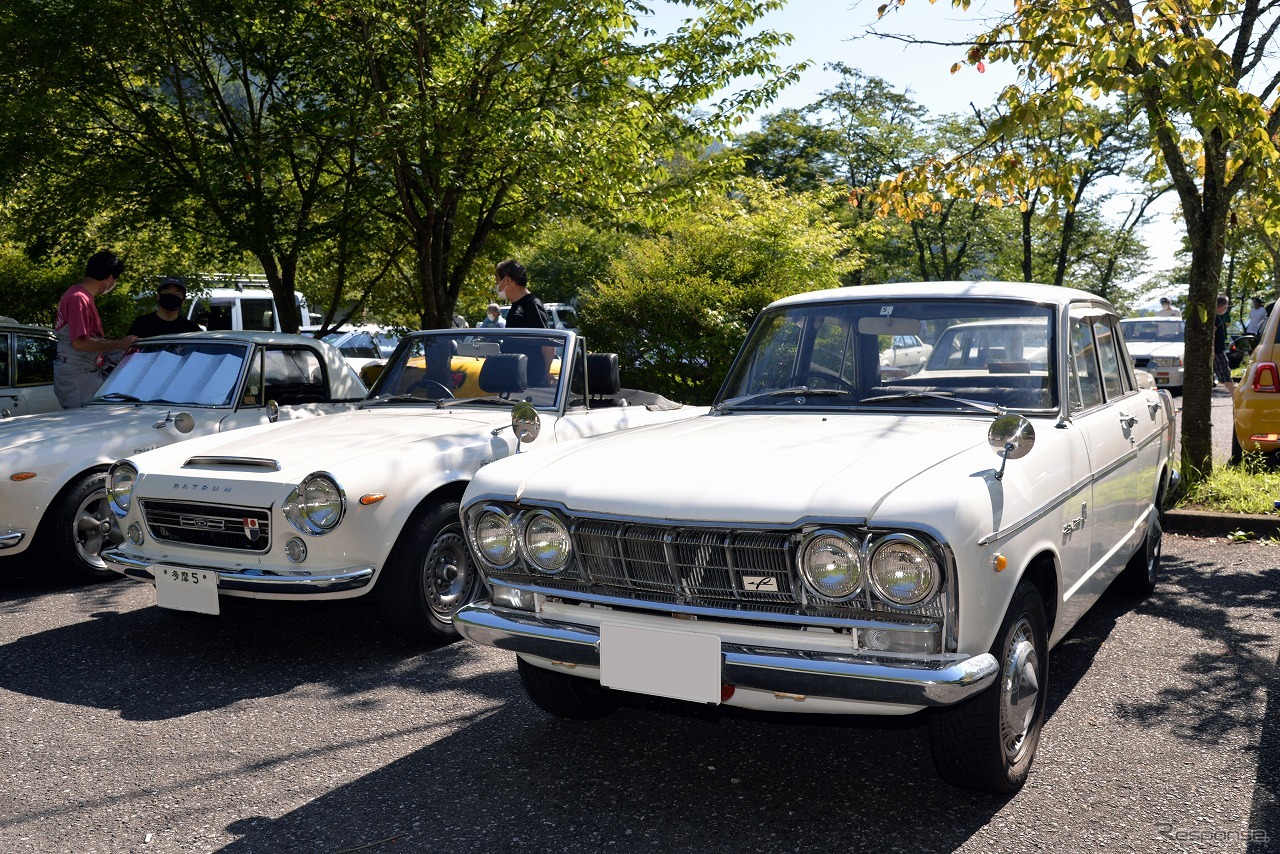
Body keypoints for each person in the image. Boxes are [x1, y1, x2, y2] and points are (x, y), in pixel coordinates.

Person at [52, 250, 137, 409]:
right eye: (115, 279)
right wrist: (118, 344)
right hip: (79, 373)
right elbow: (80, 343)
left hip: (81, 371)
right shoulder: (79, 298)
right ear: (109, 278)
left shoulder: (78, 294)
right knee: (89, 420)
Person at [495, 258, 553, 385]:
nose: (497, 286)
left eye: (498, 281)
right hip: (513, 376)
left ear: (508, 280)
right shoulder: (514, 306)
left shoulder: (532, 304)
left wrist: (545, 374)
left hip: (530, 379)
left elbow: (547, 344)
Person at [127, 277, 201, 338]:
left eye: (177, 293)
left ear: (183, 300)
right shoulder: (141, 323)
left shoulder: (191, 329)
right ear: (158, 296)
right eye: (167, 292)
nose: (172, 295)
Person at [1214, 294, 1235, 393]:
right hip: (1217, 352)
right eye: (1226, 306)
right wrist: (1213, 351)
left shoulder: (1216, 317)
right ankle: (1234, 396)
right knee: (1225, 375)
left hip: (1217, 351)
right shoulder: (1215, 318)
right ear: (1222, 306)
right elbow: (1211, 335)